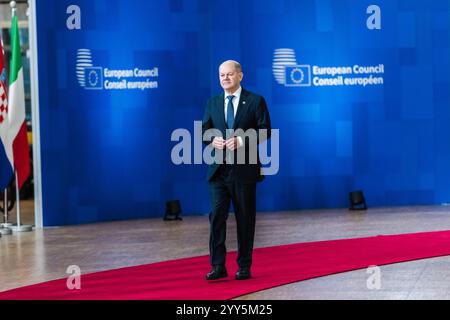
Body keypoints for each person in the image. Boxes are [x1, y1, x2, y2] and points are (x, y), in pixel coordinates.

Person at [202, 60, 271, 280]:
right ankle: (218, 266)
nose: (225, 78)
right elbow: (205, 131)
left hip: (244, 171)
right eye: (221, 75)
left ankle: (244, 266)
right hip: (219, 172)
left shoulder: (255, 101)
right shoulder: (212, 103)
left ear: (240, 76)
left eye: (229, 74)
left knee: (245, 219)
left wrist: (242, 141)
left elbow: (265, 130)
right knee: (217, 217)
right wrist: (214, 140)